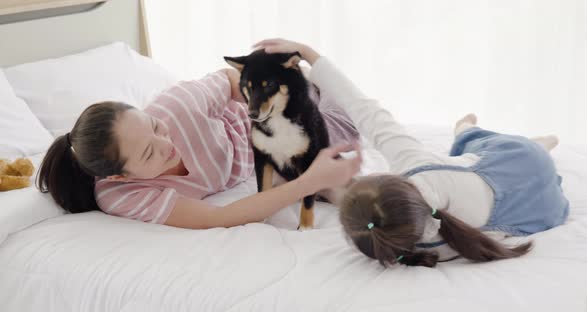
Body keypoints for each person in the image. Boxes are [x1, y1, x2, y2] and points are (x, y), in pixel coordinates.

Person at [253, 38, 570, 267]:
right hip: (517, 159)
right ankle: (519, 139)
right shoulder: (419, 168)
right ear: (393, 180)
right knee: (474, 142)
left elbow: (353, 204)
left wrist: (313, 185)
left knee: (470, 146)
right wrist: (310, 54)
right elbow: (368, 113)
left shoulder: (422, 247)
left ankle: (507, 138)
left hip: (542, 207)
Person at [37, 60, 361, 229]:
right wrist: (310, 181)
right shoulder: (121, 194)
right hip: (257, 157)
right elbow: (218, 218)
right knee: (331, 177)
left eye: (154, 127)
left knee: (344, 121)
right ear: (121, 175)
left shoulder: (176, 107)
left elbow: (232, 80)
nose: (165, 143)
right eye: (149, 153)